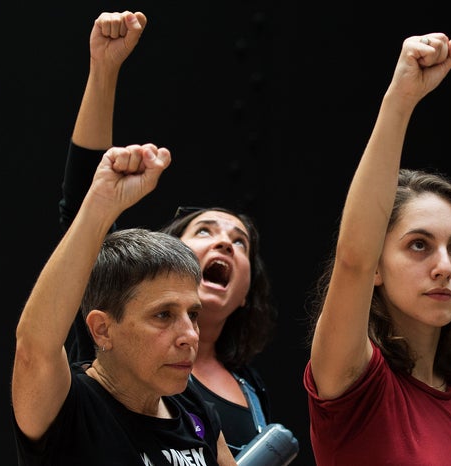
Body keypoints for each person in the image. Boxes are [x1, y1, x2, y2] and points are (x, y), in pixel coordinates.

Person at [57, 11, 282, 458]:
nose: (225, 244)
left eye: (240, 243)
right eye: (205, 231)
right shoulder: (110, 348)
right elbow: (85, 200)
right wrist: (104, 70)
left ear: (245, 295)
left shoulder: (248, 386)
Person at [303, 33, 451, 465]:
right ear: (377, 264)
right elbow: (352, 259)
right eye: (418, 245)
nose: (444, 266)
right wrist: (401, 99)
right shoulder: (352, 376)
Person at [11, 143, 237, 465]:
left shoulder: (195, 410)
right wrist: (101, 206)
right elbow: (34, 348)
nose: (190, 335)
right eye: (163, 315)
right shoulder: (72, 407)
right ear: (102, 329)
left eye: (193, 314)